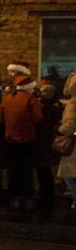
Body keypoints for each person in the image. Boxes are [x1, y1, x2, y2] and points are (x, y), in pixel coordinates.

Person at [0, 61, 43, 211]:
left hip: (10, 139)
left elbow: (2, 118)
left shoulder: (7, 98)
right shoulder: (32, 99)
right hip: (27, 138)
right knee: (26, 170)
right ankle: (27, 197)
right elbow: (38, 119)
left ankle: (15, 198)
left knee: (13, 170)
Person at [35, 79, 63, 216]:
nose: (43, 93)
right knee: (44, 169)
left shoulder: (53, 107)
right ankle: (46, 192)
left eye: (46, 91)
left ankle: (48, 194)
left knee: (47, 169)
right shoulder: (46, 106)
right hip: (44, 142)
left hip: (48, 142)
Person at [56, 72, 76, 223]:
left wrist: (60, 129)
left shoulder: (73, 103)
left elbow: (69, 125)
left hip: (73, 145)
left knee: (69, 174)